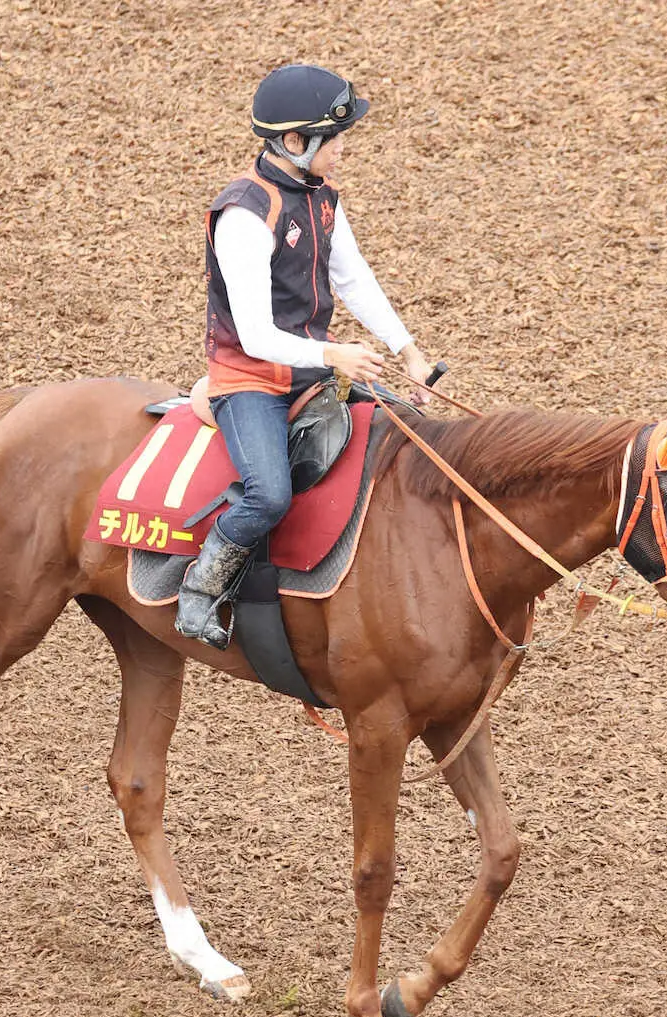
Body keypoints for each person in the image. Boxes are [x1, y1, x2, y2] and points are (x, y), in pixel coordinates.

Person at [175, 63, 433, 650]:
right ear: (294, 142)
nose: (341, 151)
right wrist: (335, 352)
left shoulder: (320, 198)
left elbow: (356, 281)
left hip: (313, 371)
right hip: (251, 380)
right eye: (333, 139)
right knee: (269, 494)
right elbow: (256, 334)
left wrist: (410, 352)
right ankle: (200, 589)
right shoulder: (244, 213)